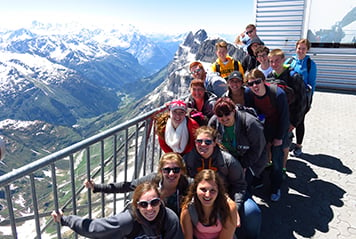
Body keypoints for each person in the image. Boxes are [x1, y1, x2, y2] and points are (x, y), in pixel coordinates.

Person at [183, 126, 261, 238]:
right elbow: (184, 181)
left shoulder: (228, 161)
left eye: (208, 142)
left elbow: (239, 185)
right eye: (199, 141)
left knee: (252, 213)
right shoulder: (188, 159)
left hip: (228, 196)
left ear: (215, 143)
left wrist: (235, 209)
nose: (203, 145)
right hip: (201, 197)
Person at [52, 182, 183, 238]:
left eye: (154, 202)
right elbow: (94, 228)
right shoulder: (127, 220)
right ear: (136, 205)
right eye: (143, 204)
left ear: (161, 202)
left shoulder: (169, 218)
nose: (150, 208)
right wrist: (65, 219)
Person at [84, 152, 190, 216]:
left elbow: (204, 183)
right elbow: (128, 186)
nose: (171, 174)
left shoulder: (188, 184)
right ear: (161, 171)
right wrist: (96, 187)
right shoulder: (153, 179)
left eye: (176, 170)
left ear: (181, 171)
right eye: (167, 170)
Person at [245, 69, 289, 202]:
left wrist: (279, 138)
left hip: (278, 129)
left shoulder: (278, 94)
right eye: (250, 84)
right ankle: (258, 179)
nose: (254, 86)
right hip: (262, 129)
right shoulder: (249, 94)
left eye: (257, 82)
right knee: (259, 158)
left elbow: (284, 118)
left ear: (264, 81)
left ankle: (276, 187)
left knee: (276, 161)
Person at [208, 97, 267, 194]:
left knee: (242, 187)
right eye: (220, 115)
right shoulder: (214, 122)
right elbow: (210, 142)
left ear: (234, 111)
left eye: (227, 114)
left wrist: (242, 166)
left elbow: (257, 149)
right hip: (228, 158)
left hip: (250, 160)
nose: (224, 118)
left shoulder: (251, 124)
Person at [180, 169, 238, 239]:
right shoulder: (187, 210)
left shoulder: (229, 208)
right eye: (203, 189)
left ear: (218, 192)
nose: (207, 195)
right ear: (195, 189)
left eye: (212, 190)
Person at [284, 39, 317, 157]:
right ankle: (288, 140)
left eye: (303, 49)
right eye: (299, 48)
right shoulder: (290, 61)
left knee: (299, 121)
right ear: (296, 48)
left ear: (307, 50)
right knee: (288, 119)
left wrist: (307, 102)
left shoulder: (310, 64)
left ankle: (298, 146)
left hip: (302, 99)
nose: (301, 51)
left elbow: (312, 85)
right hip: (290, 98)